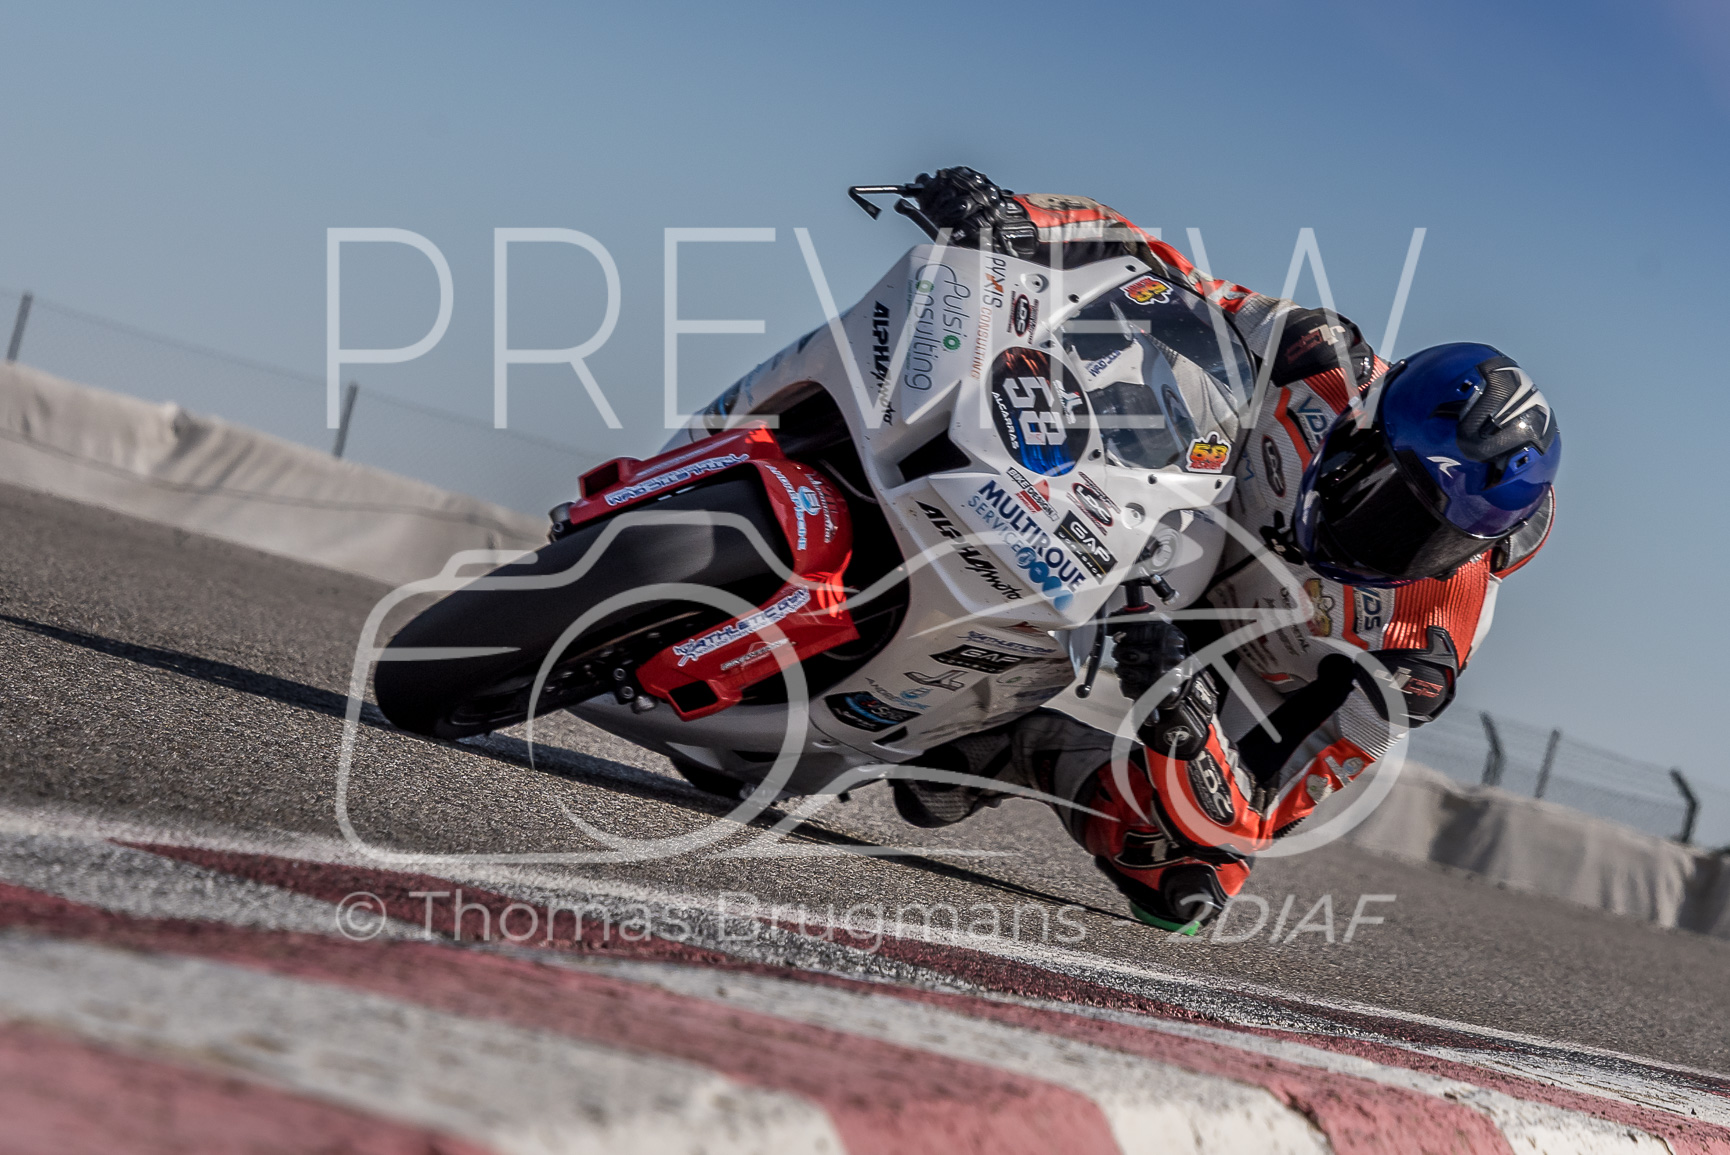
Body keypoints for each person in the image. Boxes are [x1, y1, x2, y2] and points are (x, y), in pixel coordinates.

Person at [892, 168, 1561, 931]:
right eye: (1390, 498)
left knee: (1189, 872)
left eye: (1436, 539)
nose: (1395, 544)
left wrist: (1182, 711)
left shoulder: (1418, 661)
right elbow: (1154, 272)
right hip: (1169, 506)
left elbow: (1264, 810)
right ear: (1365, 425)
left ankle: (1017, 744)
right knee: (1175, 353)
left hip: (1242, 670)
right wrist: (1017, 219)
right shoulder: (1318, 356)